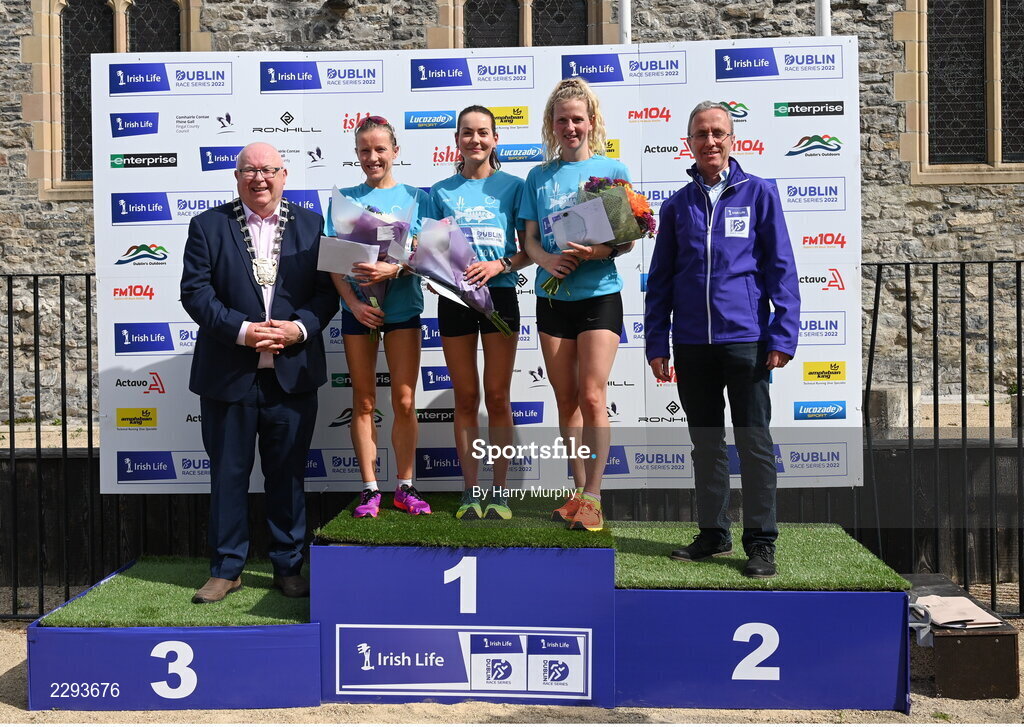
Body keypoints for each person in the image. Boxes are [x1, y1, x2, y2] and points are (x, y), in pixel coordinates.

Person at [644, 101, 801, 578]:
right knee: (707, 445)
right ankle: (713, 533)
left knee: (754, 444)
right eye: (701, 134)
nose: (710, 141)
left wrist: (783, 332)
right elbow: (662, 281)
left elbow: (781, 269)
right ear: (688, 143)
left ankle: (760, 542)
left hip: (746, 340)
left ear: (733, 139)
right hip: (692, 344)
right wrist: (656, 344)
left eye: (718, 132)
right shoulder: (676, 206)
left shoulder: (760, 195)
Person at [180, 142, 338, 603]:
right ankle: (226, 569)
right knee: (228, 474)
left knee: (288, 476)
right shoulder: (208, 226)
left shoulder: (311, 226)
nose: (260, 178)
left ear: (284, 175)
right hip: (229, 376)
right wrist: (245, 332)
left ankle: (289, 565)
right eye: (250, 170)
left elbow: (328, 295)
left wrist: (299, 328)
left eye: (269, 170)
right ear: (237, 177)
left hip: (292, 375)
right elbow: (196, 294)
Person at [520, 78, 636, 532]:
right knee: (565, 399)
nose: (571, 126)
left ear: (591, 122)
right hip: (551, 298)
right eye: (563, 119)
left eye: (578, 119)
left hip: (599, 294)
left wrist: (597, 253)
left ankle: (595, 496)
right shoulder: (538, 176)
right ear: (552, 124)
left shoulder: (613, 170)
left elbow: (625, 243)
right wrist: (546, 259)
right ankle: (576, 489)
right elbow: (527, 239)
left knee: (591, 395)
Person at [326, 116, 432, 519]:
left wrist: (396, 268)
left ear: (395, 152)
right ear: (356, 154)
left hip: (403, 308)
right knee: (364, 399)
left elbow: (424, 253)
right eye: (365, 150)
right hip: (360, 311)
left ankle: (405, 486)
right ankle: (369, 488)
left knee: (404, 400)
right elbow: (334, 263)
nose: (373, 157)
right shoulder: (345, 199)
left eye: (380, 149)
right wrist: (353, 304)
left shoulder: (415, 197)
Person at [428, 105, 530, 520]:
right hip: (454, 301)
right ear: (456, 140)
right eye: (467, 133)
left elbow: (531, 251)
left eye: (483, 133)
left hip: (501, 296)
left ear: (495, 139)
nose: (475, 140)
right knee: (467, 397)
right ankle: (471, 491)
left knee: (500, 397)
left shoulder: (515, 186)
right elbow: (431, 251)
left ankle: (500, 491)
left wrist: (499, 265)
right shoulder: (440, 191)